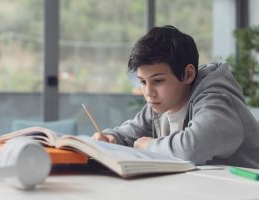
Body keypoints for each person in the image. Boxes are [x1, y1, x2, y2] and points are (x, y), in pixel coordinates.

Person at [92, 25, 259, 168]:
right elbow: (127, 134)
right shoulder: (159, 104)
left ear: (188, 74)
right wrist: (110, 138)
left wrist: (149, 145)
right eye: (142, 82)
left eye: (158, 81)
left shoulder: (218, 99)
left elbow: (192, 148)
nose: (148, 93)